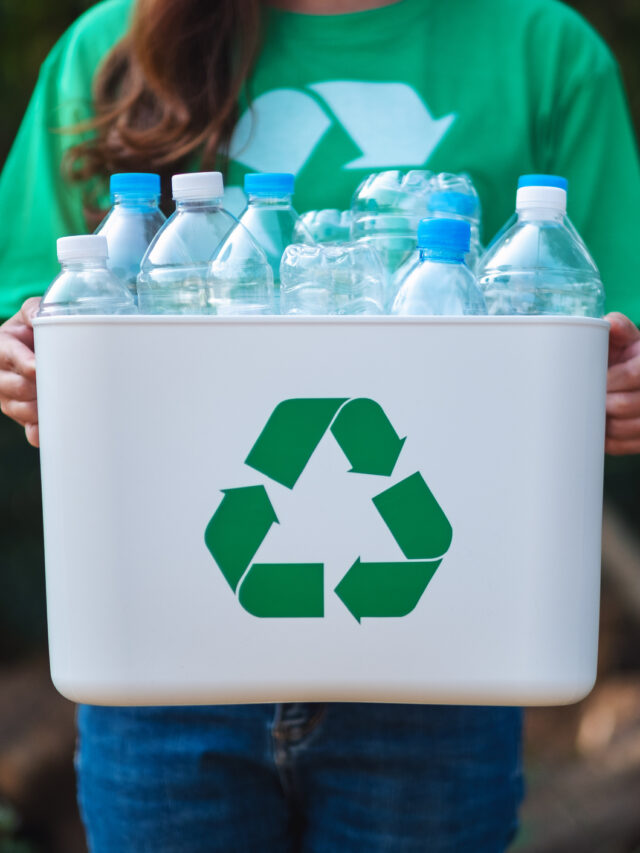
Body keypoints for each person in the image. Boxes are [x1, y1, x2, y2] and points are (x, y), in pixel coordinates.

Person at [0, 0, 639, 850]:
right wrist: (24, 361)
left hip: (443, 669)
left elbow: (606, 325)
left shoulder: (542, 48)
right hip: (164, 659)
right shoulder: (109, 47)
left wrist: (622, 385)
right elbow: (37, 309)